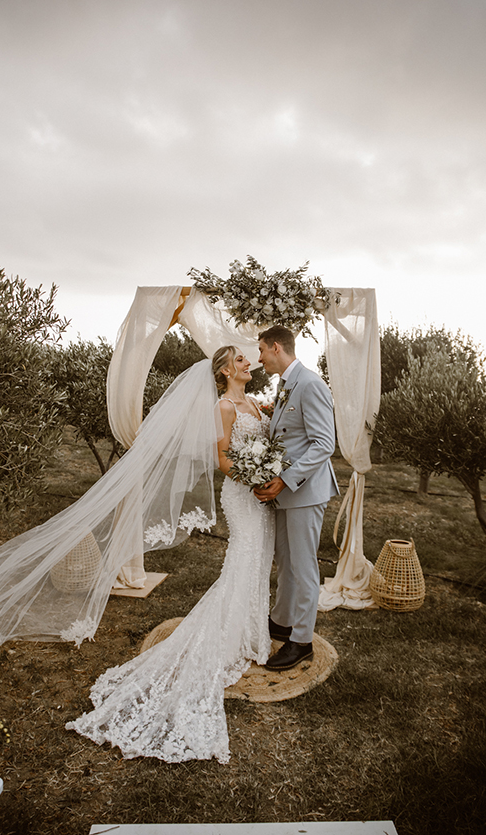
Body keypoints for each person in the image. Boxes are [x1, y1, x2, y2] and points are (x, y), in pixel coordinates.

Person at [65, 346, 275, 763]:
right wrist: (255, 477)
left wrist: (267, 470)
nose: (247, 363)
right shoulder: (223, 407)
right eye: (239, 360)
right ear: (223, 370)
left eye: (247, 360)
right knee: (243, 559)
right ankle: (225, 640)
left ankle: (249, 635)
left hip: (261, 496)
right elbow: (221, 459)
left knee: (258, 563)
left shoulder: (252, 401)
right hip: (242, 493)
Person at [254, 325, 338, 671]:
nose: (258, 358)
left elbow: (323, 443)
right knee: (286, 562)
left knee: (303, 568)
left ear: (276, 348)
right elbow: (294, 432)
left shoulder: (311, 384)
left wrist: (284, 480)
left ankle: (301, 641)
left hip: (304, 492)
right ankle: (282, 620)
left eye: (261, 350)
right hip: (288, 493)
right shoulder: (288, 384)